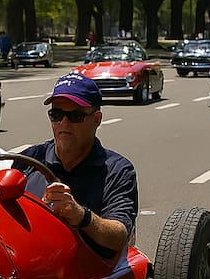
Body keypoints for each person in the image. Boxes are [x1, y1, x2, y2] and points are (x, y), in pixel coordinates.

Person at [19, 73, 138, 258]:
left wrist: (81, 216)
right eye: (57, 114)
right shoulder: (27, 160)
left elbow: (120, 235)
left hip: (87, 270)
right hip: (26, 260)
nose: (64, 123)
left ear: (96, 120)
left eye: (75, 116)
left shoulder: (117, 170)